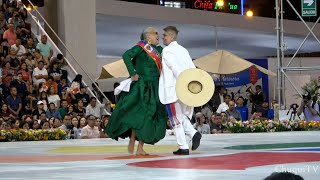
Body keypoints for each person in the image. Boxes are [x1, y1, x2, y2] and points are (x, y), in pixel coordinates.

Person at [105, 27, 167, 155]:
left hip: (156, 87)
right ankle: (133, 139)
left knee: (150, 117)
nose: (158, 35)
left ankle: (140, 147)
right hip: (142, 86)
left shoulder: (160, 50)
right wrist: (133, 73)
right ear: (148, 36)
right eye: (155, 33)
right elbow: (126, 55)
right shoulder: (141, 47)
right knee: (138, 114)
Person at [159, 26, 201, 155]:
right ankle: (193, 134)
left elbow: (174, 67)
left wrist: (183, 80)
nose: (163, 38)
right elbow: (191, 67)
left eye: (165, 35)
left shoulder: (167, 51)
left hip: (173, 89)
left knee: (175, 119)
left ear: (171, 36)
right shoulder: (184, 50)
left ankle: (183, 146)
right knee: (181, 116)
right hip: (185, 89)